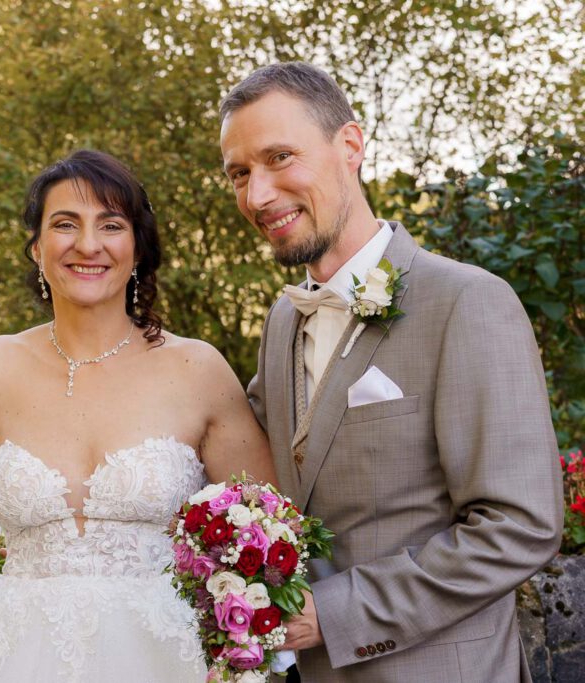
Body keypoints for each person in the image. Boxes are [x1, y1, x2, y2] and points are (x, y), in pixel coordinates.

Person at [0, 149, 275, 682]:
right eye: (65, 224)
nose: (88, 244)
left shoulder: (197, 369)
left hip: (166, 660)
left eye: (110, 224)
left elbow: (272, 527)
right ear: (37, 248)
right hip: (13, 657)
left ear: (136, 246)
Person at [220, 61, 564, 682]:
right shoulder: (280, 322)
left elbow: (520, 526)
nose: (258, 195)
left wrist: (335, 613)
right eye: (240, 174)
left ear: (349, 146)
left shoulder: (466, 302)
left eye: (279, 158)